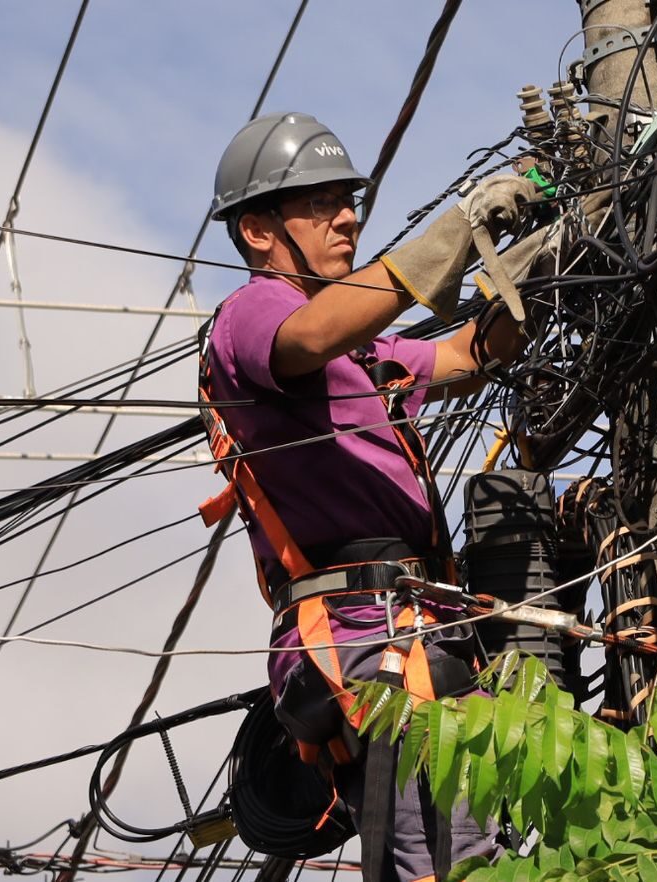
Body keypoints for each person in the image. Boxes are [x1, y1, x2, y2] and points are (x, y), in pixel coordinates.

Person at [196, 111, 538, 882]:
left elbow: (460, 354)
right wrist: (457, 229)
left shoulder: (363, 346)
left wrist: (541, 266)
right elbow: (309, 338)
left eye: (348, 199)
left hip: (419, 625)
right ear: (258, 230)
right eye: (321, 203)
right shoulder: (252, 314)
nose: (348, 215)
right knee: (440, 864)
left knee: (467, 852)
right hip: (367, 633)